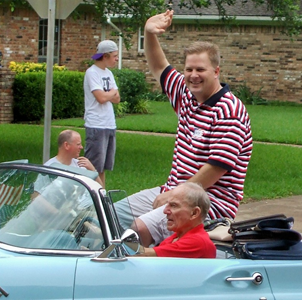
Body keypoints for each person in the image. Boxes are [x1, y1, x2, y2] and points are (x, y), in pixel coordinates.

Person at [115, 10, 253, 247]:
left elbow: (214, 169)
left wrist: (172, 197)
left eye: (200, 70)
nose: (193, 75)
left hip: (208, 204)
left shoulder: (230, 110)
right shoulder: (186, 95)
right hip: (173, 192)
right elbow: (159, 68)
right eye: (189, 69)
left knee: (138, 230)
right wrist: (149, 33)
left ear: (216, 71)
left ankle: (135, 277)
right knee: (108, 214)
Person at [137, 182, 216, 258]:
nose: (165, 211)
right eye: (167, 204)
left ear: (194, 213)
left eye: (173, 205)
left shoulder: (198, 242)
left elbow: (144, 254)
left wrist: (126, 246)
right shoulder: (177, 236)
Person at [83, 39, 121, 188]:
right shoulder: (92, 73)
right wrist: (111, 93)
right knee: (92, 167)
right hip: (96, 125)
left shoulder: (109, 73)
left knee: (102, 167)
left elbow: (117, 98)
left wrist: (109, 94)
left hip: (109, 124)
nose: (117, 59)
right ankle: (90, 197)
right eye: (114, 56)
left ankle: (101, 195)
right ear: (105, 56)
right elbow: (101, 98)